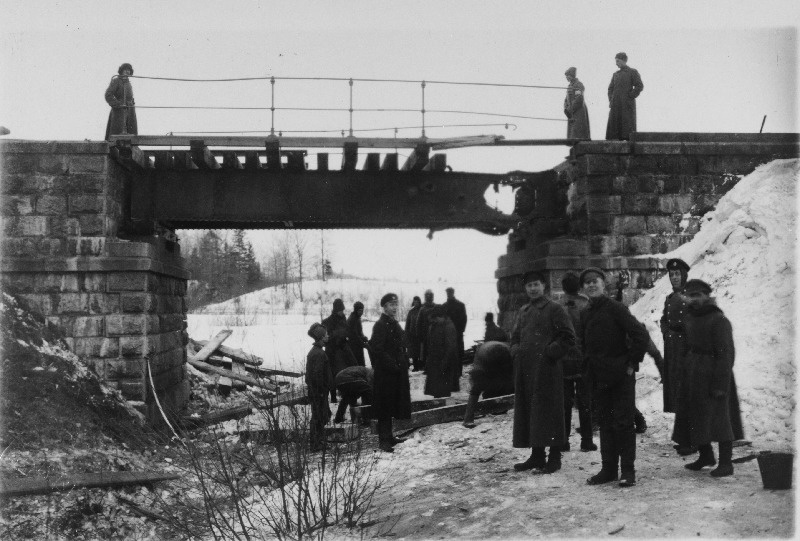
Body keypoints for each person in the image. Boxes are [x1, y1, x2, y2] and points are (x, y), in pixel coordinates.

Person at [580, 267, 649, 487]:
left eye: (595, 281)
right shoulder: (585, 313)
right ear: (584, 288)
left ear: (603, 284)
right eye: (588, 282)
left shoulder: (616, 308)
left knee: (624, 423)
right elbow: (584, 344)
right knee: (605, 424)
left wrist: (631, 363)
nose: (591, 285)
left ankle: (628, 470)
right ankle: (608, 469)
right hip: (599, 378)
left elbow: (640, 335)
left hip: (620, 377)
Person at [672, 279, 744, 478]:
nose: (693, 300)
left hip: (713, 373)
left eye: (697, 296)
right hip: (693, 372)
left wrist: (721, 384)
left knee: (720, 419)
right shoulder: (689, 317)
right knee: (695, 414)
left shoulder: (718, 320)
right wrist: (684, 368)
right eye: (689, 296)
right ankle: (706, 456)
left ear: (706, 296)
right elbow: (687, 345)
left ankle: (726, 463)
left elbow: (726, 354)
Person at [511, 271, 575, 474]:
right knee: (531, 411)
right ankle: (537, 455)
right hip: (527, 371)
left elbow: (567, 337)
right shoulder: (524, 311)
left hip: (548, 370)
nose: (533, 288)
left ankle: (554, 458)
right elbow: (515, 337)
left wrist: (549, 353)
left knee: (551, 412)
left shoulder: (555, 309)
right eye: (529, 285)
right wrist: (516, 351)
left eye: (536, 284)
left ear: (544, 286)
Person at [557, 271, 597, 452]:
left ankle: (563, 441)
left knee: (564, 403)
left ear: (563, 287)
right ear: (579, 286)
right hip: (583, 361)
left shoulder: (557, 306)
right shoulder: (587, 304)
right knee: (585, 402)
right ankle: (587, 441)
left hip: (563, 361)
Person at [369, 293, 412, 453]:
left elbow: (402, 343)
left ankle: (389, 436)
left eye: (396, 304)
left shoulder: (394, 323)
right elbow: (377, 349)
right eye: (391, 305)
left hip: (396, 372)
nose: (394, 307)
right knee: (385, 406)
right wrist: (393, 365)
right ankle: (383, 440)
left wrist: (406, 359)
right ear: (384, 307)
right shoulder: (380, 325)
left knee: (393, 403)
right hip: (386, 373)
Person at [463, 341, 514, 428]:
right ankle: (468, 419)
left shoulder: (482, 354)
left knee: (477, 387)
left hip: (490, 353)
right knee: (504, 380)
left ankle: (468, 419)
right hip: (493, 353)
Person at [322, 298, 357, 402]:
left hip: (343, 350)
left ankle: (345, 394)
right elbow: (326, 338)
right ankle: (333, 397)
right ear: (336, 310)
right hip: (332, 352)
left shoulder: (343, 319)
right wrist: (337, 334)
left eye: (343, 310)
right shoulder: (327, 321)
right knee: (332, 374)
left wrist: (346, 336)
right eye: (340, 310)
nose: (342, 312)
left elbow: (347, 331)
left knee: (347, 371)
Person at [305, 323, 333, 452]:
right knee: (318, 417)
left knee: (321, 416)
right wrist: (321, 391)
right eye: (326, 334)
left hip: (318, 391)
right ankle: (316, 444)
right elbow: (317, 375)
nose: (328, 336)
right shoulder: (318, 354)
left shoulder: (317, 352)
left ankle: (318, 442)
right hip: (318, 392)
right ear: (321, 337)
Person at [605, 52, 644, 141]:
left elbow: (639, 86)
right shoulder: (615, 74)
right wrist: (611, 100)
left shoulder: (632, 72)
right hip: (615, 104)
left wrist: (630, 96)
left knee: (627, 129)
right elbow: (610, 89)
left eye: (618, 61)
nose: (616, 63)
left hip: (627, 105)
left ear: (623, 60)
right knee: (614, 129)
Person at [424, 305, 459, 398]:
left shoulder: (448, 326)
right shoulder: (435, 325)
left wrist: (445, 363)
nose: (432, 322)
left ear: (441, 317)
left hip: (444, 363)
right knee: (437, 391)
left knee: (444, 392)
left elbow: (451, 347)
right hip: (435, 362)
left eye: (434, 319)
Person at [104, 63, 138, 140]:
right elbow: (108, 95)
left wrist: (131, 104)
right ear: (121, 71)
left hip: (130, 110)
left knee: (130, 132)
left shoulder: (128, 82)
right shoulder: (116, 81)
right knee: (117, 133)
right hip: (119, 111)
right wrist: (117, 104)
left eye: (129, 70)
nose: (127, 72)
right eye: (125, 70)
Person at [444, 287, 468, 372]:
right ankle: (451, 371)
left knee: (458, 352)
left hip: (458, 332)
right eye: (448, 293)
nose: (449, 295)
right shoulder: (444, 306)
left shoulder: (460, 305)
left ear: (453, 293)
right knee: (450, 352)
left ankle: (459, 370)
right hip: (448, 334)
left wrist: (461, 330)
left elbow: (464, 319)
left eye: (450, 293)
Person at [564, 67, 591, 140]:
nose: (566, 77)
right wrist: (566, 108)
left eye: (567, 76)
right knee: (573, 134)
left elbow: (579, 98)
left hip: (578, 112)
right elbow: (566, 99)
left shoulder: (578, 85)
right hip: (572, 112)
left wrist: (570, 109)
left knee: (579, 133)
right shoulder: (569, 86)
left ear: (571, 75)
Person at [415, 290, 436, 372]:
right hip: (425, 335)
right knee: (426, 352)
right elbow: (418, 323)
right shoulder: (422, 309)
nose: (429, 297)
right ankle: (427, 367)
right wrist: (419, 335)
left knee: (433, 351)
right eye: (427, 295)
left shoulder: (435, 307)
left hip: (434, 334)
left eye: (430, 295)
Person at [347, 301, 369, 367]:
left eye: (362, 310)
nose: (361, 312)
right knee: (357, 364)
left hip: (358, 345)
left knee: (360, 363)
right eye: (360, 310)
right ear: (356, 310)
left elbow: (359, 332)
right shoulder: (353, 319)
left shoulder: (357, 318)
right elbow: (355, 335)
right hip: (353, 347)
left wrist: (364, 337)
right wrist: (363, 344)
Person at [405, 296, 423, 371]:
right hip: (412, 335)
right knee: (414, 353)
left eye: (417, 302)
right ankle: (416, 367)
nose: (416, 303)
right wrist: (406, 333)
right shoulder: (411, 312)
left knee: (421, 352)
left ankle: (421, 366)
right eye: (415, 302)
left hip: (421, 335)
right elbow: (407, 323)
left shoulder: (422, 310)